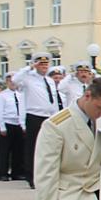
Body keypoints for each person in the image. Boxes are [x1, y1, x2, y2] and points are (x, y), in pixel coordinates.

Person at [13, 52, 61, 189]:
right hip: (34, 115)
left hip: (49, 117)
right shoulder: (28, 78)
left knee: (48, 149)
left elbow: (53, 101)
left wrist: (56, 117)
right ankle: (32, 177)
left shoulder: (50, 81)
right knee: (33, 147)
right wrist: (29, 67)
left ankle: (46, 176)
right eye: (41, 64)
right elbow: (15, 80)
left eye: (46, 64)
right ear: (35, 64)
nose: (44, 66)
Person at [0, 72, 26, 181]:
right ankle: (3, 173)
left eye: (14, 81)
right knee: (5, 150)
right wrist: (2, 127)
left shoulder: (21, 94)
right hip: (7, 123)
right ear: (7, 82)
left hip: (18, 124)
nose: (13, 83)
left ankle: (17, 172)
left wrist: (23, 125)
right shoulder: (2, 95)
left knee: (18, 150)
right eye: (10, 81)